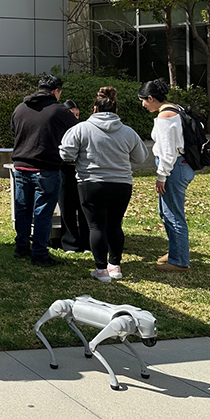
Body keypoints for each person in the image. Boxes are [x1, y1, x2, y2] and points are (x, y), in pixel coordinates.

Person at [59, 87, 148, 282]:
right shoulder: (128, 132)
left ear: (94, 109)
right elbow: (141, 157)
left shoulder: (81, 129)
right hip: (121, 184)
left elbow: (65, 154)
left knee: (96, 226)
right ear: (116, 111)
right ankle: (115, 266)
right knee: (115, 225)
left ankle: (101, 270)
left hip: (91, 183)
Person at [10, 75, 77, 266]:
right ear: (56, 91)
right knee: (43, 212)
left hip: (21, 166)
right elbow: (75, 135)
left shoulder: (20, 108)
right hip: (47, 167)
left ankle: (21, 247)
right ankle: (39, 253)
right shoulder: (61, 111)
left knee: (23, 210)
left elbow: (14, 132)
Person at [138, 79, 195, 272]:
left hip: (173, 167)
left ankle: (179, 261)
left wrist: (161, 176)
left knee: (173, 214)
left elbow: (168, 152)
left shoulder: (165, 118)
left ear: (151, 98)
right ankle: (175, 252)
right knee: (166, 212)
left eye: (143, 100)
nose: (143, 105)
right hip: (180, 165)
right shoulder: (175, 109)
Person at [59, 99, 90, 253]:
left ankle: (87, 241)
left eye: (78, 115)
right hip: (64, 170)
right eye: (72, 114)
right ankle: (70, 241)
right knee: (67, 206)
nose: (75, 118)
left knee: (83, 206)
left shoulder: (82, 128)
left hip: (82, 170)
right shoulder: (59, 127)